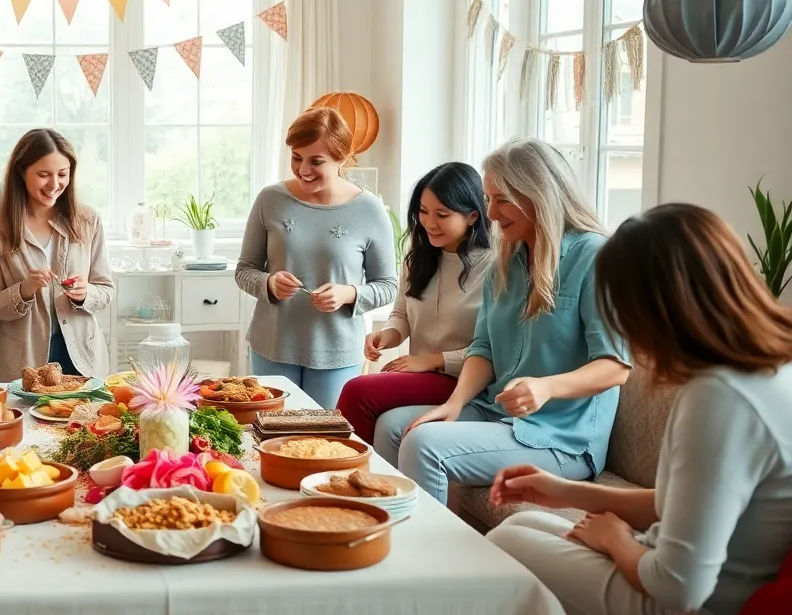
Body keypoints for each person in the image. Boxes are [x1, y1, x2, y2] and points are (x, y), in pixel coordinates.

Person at [487, 204, 792, 615]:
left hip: (685, 600)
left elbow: (679, 589)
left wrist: (616, 539)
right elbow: (688, 503)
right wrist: (565, 492)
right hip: (671, 568)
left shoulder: (719, 399)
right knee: (521, 525)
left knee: (504, 547)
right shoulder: (765, 368)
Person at [373, 137, 631, 503]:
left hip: (559, 437)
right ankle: (386, 537)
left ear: (540, 195)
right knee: (392, 427)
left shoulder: (596, 257)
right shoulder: (505, 263)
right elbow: (484, 348)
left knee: (425, 444)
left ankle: (426, 559)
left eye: (502, 200)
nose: (490, 213)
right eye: (489, 198)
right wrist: (455, 402)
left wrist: (547, 388)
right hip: (495, 414)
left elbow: (616, 367)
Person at [235, 107, 399, 408]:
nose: (303, 169)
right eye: (296, 158)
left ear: (343, 158)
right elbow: (245, 270)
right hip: (271, 346)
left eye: (316, 161)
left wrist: (349, 294)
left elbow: (389, 284)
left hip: (336, 354)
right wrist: (269, 283)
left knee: (322, 443)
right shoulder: (269, 200)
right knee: (273, 440)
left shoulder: (370, 210)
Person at [337, 162, 493, 443]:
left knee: (357, 391)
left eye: (442, 215)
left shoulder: (495, 266)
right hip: (422, 375)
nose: (429, 223)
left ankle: (343, 471)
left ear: (472, 216)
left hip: (465, 381)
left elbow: (494, 348)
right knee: (368, 399)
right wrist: (387, 336)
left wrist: (431, 361)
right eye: (423, 211)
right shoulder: (419, 254)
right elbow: (402, 313)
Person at [0, 129, 114, 381]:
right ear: (21, 172)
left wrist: (85, 294)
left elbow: (105, 289)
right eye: (43, 175)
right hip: (21, 362)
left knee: (84, 421)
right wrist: (24, 290)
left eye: (63, 174)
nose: (54, 184)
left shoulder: (88, 220)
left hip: (82, 356)